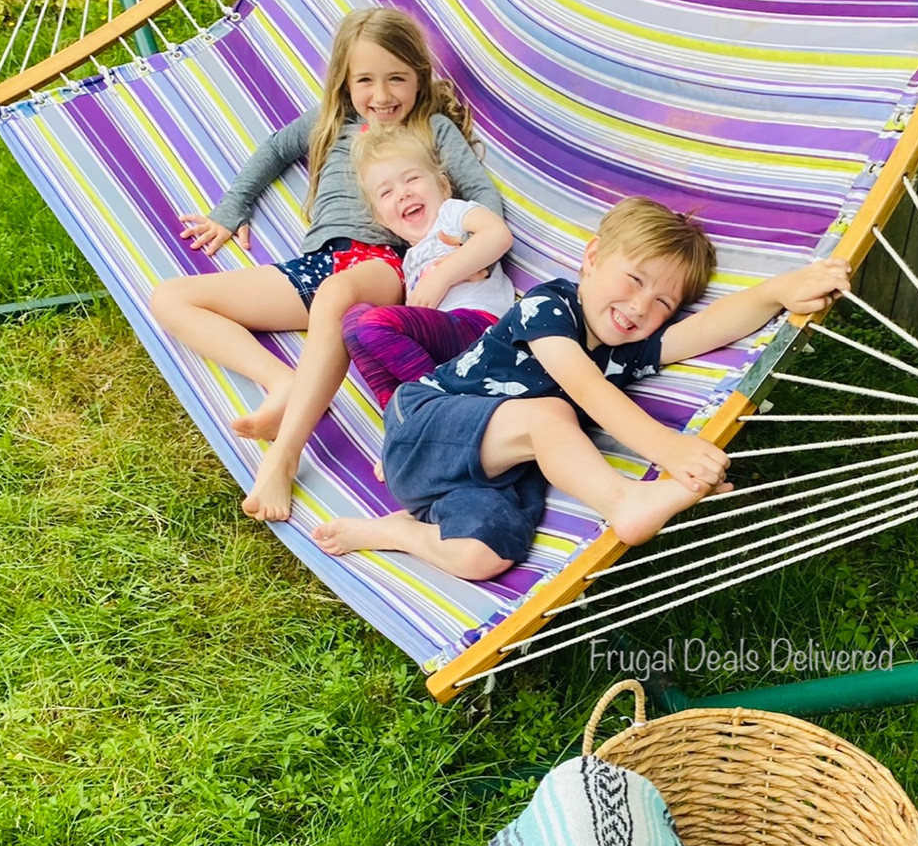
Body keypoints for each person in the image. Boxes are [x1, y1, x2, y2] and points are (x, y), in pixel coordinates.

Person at [312, 197, 849, 576]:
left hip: (494, 476)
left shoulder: (628, 350)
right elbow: (583, 386)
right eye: (634, 280)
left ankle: (395, 531)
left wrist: (779, 291)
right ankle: (623, 502)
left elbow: (707, 328)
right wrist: (668, 448)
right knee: (549, 413)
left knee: (486, 554)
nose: (641, 307)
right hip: (426, 428)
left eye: (663, 302)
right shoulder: (550, 305)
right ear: (592, 259)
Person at [148, 6, 501, 467]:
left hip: (380, 266)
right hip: (316, 266)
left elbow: (480, 194)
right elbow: (275, 148)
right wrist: (232, 208)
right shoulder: (332, 121)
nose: (381, 95)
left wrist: (466, 252)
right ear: (345, 82)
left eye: (396, 78)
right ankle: (283, 382)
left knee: (337, 290)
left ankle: (289, 448)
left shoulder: (429, 129)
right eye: (365, 81)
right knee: (170, 298)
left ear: (419, 77)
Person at [243, 125, 514, 520]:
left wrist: (445, 274)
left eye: (412, 179)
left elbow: (498, 234)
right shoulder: (408, 260)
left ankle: (423, 420)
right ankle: (407, 428)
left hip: (481, 331)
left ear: (442, 184)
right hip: (451, 355)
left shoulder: (454, 216)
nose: (402, 193)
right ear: (378, 216)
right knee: (355, 325)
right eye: (386, 192)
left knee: (371, 324)